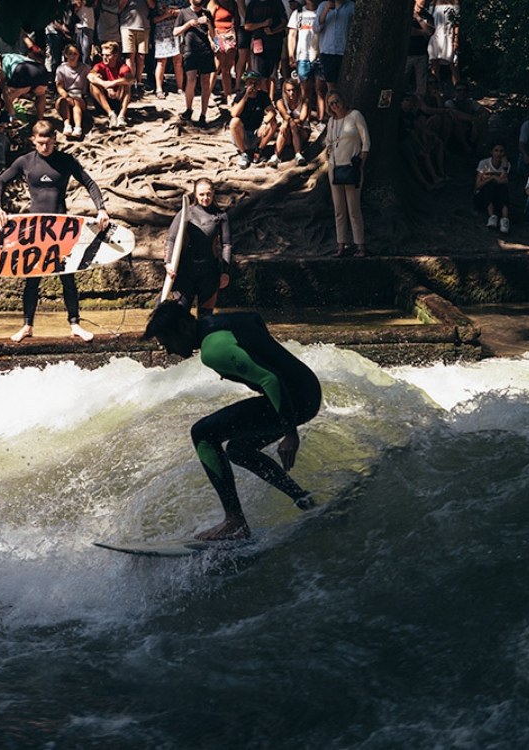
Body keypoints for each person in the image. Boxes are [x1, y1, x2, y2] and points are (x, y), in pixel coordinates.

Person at [142, 301, 322, 541]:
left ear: (185, 326)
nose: (169, 352)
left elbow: (270, 379)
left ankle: (234, 522)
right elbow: (255, 319)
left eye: (168, 342)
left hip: (295, 400)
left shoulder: (214, 351)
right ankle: (304, 500)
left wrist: (290, 434)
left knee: (203, 433)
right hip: (306, 389)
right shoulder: (218, 322)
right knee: (239, 450)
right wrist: (262, 349)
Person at [0, 119, 111, 342]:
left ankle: (75, 324)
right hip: (35, 227)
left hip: (60, 227)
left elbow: (90, 183)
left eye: (48, 143)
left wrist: (101, 209)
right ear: (33, 140)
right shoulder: (25, 161)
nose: (45, 147)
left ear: (55, 140)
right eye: (40, 143)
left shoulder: (65, 161)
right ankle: (27, 326)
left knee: (67, 276)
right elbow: (0, 182)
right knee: (33, 278)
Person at [163, 178, 232, 316]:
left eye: (208, 194)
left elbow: (226, 245)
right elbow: (171, 239)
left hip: (209, 273)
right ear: (195, 194)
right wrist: (168, 263)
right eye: (201, 194)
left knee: (206, 319)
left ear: (213, 194)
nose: (205, 198)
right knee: (180, 317)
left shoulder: (220, 216)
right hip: (185, 272)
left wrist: (225, 272)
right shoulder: (185, 213)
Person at [326, 91, 370, 257]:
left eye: (336, 101)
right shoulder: (331, 121)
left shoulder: (355, 116)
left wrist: (360, 164)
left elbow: (366, 142)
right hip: (335, 167)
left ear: (342, 101)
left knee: (353, 208)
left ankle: (360, 245)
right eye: (331, 103)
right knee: (339, 208)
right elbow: (329, 143)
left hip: (351, 167)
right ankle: (341, 245)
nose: (335, 105)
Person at [175, 0, 216, 126]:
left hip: (206, 51)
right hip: (190, 50)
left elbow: (213, 34)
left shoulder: (207, 12)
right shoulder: (183, 12)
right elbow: (175, 32)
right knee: (191, 80)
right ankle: (189, 109)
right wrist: (188, 24)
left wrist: (208, 23)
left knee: (205, 82)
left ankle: (203, 115)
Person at [0, 46, 49, 119]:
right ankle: (40, 118)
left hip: (23, 70)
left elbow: (1, 79)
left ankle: (11, 119)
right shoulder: (10, 56)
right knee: (40, 93)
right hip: (41, 70)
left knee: (6, 95)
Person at [314, 0, 354, 118]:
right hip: (328, 52)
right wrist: (326, 10)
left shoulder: (351, 7)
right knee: (331, 88)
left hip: (344, 52)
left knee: (346, 87)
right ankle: (333, 116)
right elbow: (316, 28)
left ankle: (346, 115)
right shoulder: (322, 6)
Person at [230, 71, 279, 168]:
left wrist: (265, 123)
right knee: (234, 122)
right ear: (246, 84)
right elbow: (234, 113)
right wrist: (245, 97)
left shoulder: (263, 96)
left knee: (273, 123)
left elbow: (272, 112)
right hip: (242, 134)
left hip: (257, 133)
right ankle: (243, 153)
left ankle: (259, 150)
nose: (252, 85)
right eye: (250, 82)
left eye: (255, 83)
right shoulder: (240, 95)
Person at [244, 0, 288, 101]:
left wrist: (273, 31)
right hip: (258, 42)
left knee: (273, 73)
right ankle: (263, 99)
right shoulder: (252, 4)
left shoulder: (277, 3)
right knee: (260, 74)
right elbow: (247, 26)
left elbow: (284, 22)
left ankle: (271, 100)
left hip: (275, 43)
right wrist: (263, 24)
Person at [87, 40, 134, 128]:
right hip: (103, 102)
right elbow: (90, 76)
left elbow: (130, 78)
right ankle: (111, 114)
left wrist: (112, 83)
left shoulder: (122, 67)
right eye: (103, 55)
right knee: (93, 84)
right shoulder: (99, 66)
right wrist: (104, 84)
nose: (105, 57)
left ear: (115, 55)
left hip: (118, 98)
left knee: (127, 84)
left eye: (108, 55)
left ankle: (121, 116)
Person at [287, 0, 320, 114]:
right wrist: (291, 54)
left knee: (320, 89)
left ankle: (322, 117)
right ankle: (305, 116)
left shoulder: (323, 11)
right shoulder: (298, 13)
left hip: (319, 54)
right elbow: (292, 35)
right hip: (302, 55)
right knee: (304, 89)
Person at [209, 0, 243, 105]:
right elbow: (208, 23)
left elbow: (237, 19)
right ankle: (208, 92)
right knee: (216, 66)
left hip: (230, 36)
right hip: (218, 35)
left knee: (227, 67)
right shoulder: (214, 3)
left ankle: (227, 94)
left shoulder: (232, 3)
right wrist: (211, 39)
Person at [54, 43, 91, 137]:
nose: (72, 56)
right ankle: (67, 125)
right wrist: (66, 96)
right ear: (66, 55)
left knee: (76, 102)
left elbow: (92, 76)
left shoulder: (85, 68)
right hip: (66, 95)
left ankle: (78, 127)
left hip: (79, 96)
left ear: (79, 55)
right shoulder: (61, 69)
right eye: (70, 54)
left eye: (75, 54)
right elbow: (59, 87)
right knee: (64, 101)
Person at [474, 141, 510, 234]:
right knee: (490, 185)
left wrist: (505, 167)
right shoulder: (484, 163)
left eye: (501, 151)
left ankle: (504, 219)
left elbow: (504, 181)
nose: (498, 153)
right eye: (496, 150)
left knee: (502, 188)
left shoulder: (506, 165)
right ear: (492, 152)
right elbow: (478, 185)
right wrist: (492, 178)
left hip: (498, 195)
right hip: (483, 196)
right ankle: (492, 216)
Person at [151, 0, 186, 99]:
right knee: (161, 61)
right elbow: (153, 19)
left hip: (177, 30)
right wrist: (166, 15)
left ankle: (180, 88)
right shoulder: (158, 2)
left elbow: (187, 11)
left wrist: (178, 12)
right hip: (162, 32)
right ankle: (159, 89)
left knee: (178, 61)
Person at [120, 0, 154, 98]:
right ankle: (130, 83)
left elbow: (152, 6)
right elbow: (119, 8)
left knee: (141, 56)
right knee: (129, 56)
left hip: (144, 26)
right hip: (127, 27)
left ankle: (139, 83)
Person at [444, 82, 489, 156]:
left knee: (484, 124)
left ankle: (479, 151)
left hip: (470, 128)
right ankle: (467, 148)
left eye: (464, 90)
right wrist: (474, 120)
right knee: (457, 123)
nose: (462, 93)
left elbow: (486, 112)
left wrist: (477, 123)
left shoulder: (471, 103)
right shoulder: (449, 103)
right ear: (455, 92)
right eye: (459, 90)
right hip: (454, 131)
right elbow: (456, 114)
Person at [274, 78, 310, 166]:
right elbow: (285, 115)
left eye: (293, 90)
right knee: (289, 125)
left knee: (291, 124)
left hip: (302, 131)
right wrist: (287, 123)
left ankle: (298, 154)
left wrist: (287, 123)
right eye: (288, 90)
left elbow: (302, 119)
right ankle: (276, 156)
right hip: (287, 132)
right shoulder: (280, 102)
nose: (291, 93)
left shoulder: (305, 101)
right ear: (284, 91)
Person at [428, 0, 460, 86]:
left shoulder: (454, 2)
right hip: (435, 35)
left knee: (454, 64)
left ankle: (458, 89)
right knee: (435, 65)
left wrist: (456, 40)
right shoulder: (433, 2)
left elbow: (456, 22)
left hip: (449, 36)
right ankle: (435, 90)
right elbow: (429, 19)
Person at [405, 0, 434, 95]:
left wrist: (418, 18)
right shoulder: (406, 13)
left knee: (421, 84)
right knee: (403, 79)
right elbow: (408, 32)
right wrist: (422, 32)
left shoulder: (427, 16)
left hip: (421, 54)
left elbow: (430, 31)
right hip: (407, 54)